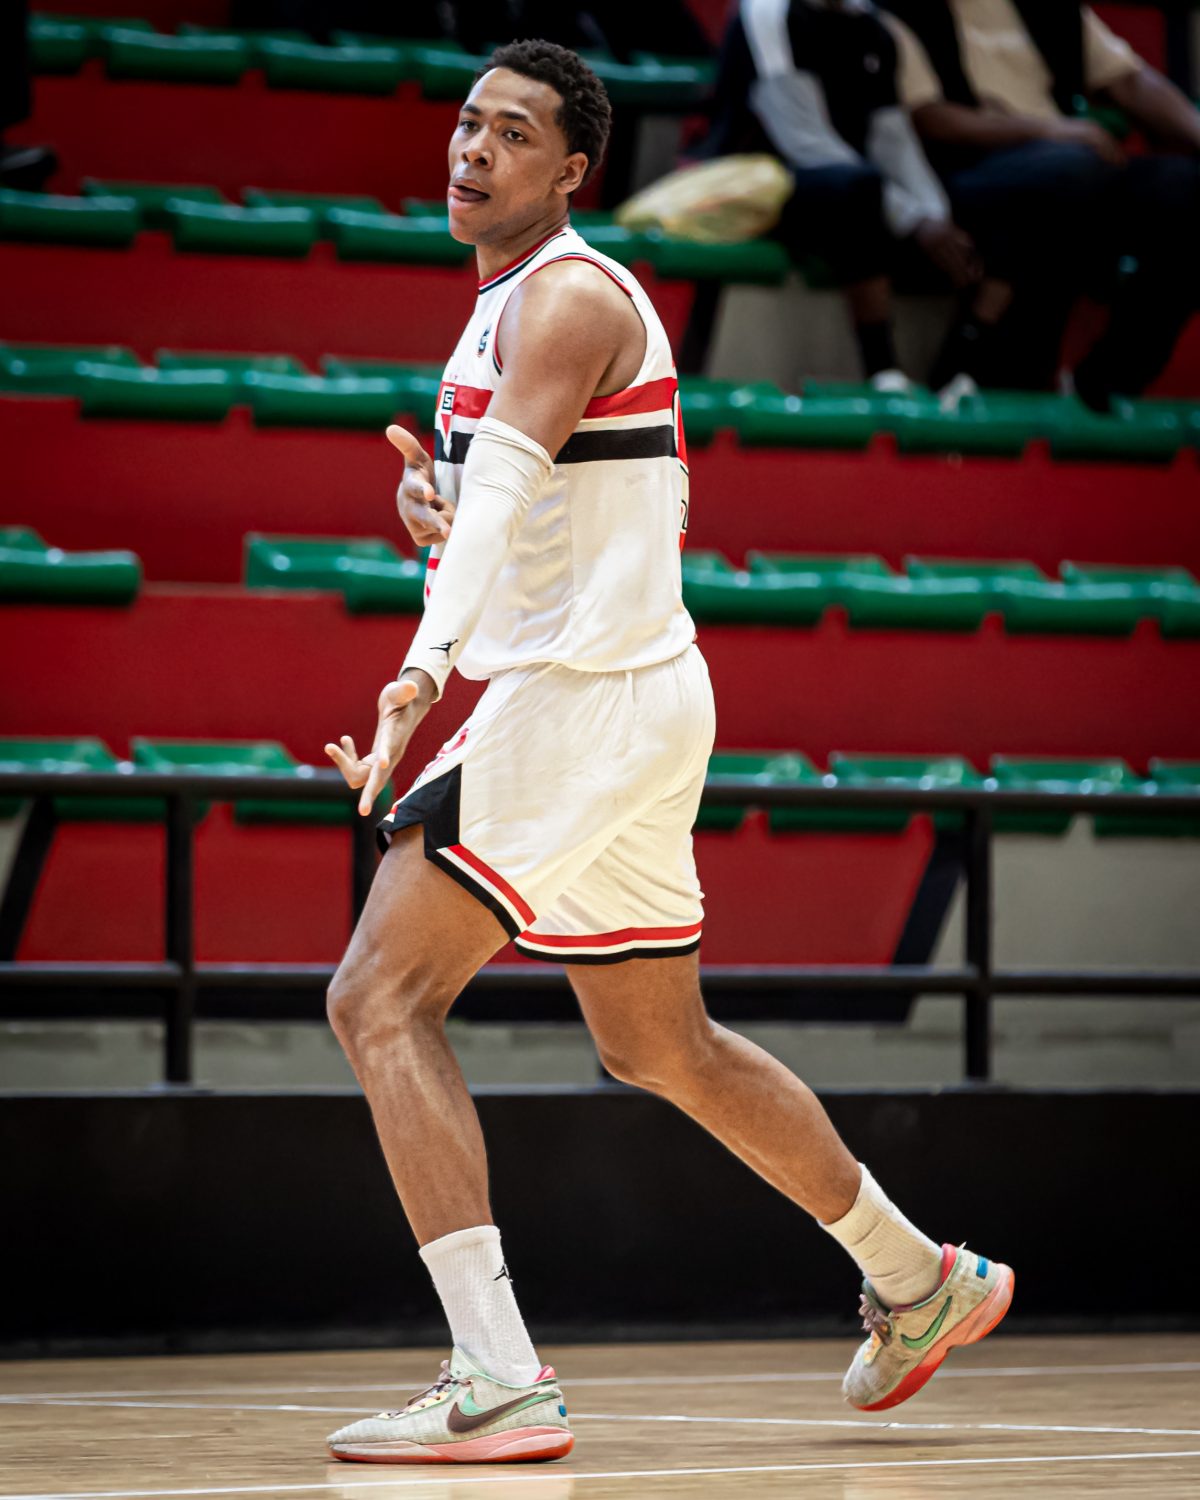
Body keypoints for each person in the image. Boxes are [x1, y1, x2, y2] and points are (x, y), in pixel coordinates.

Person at [321, 38, 1013, 1466]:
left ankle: (496, 1377)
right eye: (467, 122)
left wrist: (418, 672)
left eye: (513, 134)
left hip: (583, 700)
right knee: (660, 1044)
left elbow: (509, 499)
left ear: (571, 170)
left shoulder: (568, 295)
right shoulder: (509, 304)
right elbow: (513, 512)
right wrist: (436, 510)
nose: (472, 148)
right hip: (630, 695)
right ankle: (918, 1277)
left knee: (378, 998)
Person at [882, 0, 1200, 405]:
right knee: (1068, 174)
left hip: (1075, 167)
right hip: (963, 172)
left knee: (1186, 189)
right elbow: (929, 117)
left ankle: (1108, 378)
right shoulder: (900, 10)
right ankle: (975, 354)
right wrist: (1050, 131)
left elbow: (1130, 81)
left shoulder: (1054, 8)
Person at [701, 0, 1013, 393]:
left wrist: (933, 213)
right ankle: (882, 369)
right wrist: (912, 218)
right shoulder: (767, 14)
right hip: (758, 184)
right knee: (855, 190)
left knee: (1015, 200)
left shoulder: (872, 26)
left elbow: (892, 138)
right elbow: (804, 141)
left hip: (860, 188)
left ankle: (960, 369)